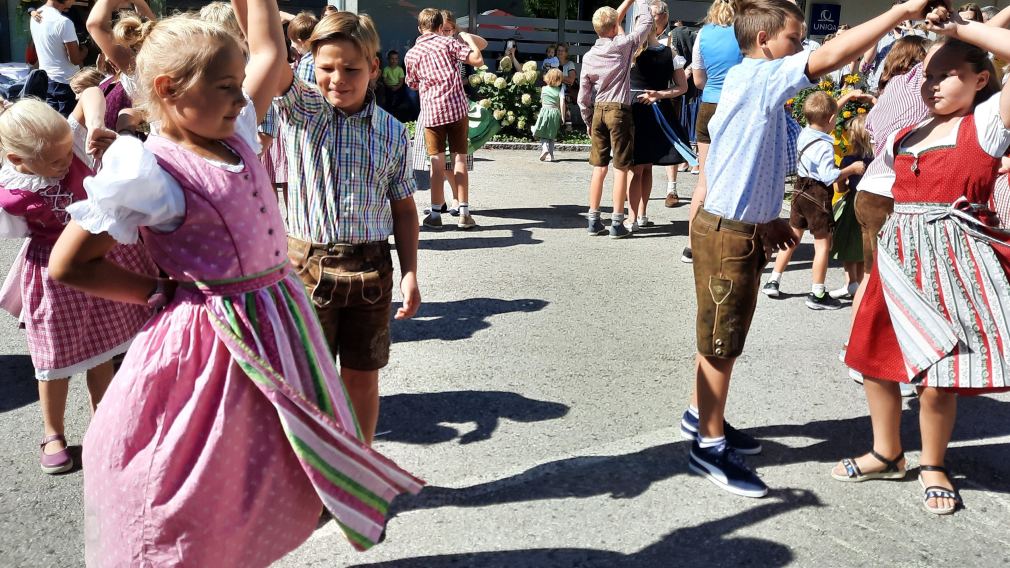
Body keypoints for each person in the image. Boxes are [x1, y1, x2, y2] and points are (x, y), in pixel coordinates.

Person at [49, 0, 423, 561]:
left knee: (265, 457)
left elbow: (270, 51)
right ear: (170, 88)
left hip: (279, 319)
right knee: (204, 468)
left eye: (236, 84)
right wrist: (155, 293)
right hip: (215, 339)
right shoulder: (151, 170)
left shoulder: (235, 130)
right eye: (225, 85)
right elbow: (69, 264)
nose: (239, 96)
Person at [682, 0, 935, 499]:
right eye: (795, 39)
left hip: (741, 225)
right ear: (764, 42)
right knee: (721, 342)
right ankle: (707, 447)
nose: (802, 47)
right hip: (728, 233)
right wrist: (901, 10)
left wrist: (769, 216)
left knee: (720, 336)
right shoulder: (758, 77)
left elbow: (746, 164)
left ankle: (700, 416)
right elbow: (836, 55)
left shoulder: (757, 86)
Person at [836, 11, 1010, 516]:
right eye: (929, 75)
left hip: (953, 260)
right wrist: (936, 37)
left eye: (947, 74)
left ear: (981, 80)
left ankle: (933, 463)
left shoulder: (988, 123)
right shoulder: (910, 127)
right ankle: (886, 451)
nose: (933, 84)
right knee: (875, 359)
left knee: (940, 374)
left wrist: (958, 29)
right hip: (898, 256)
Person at [273, 10, 422, 448]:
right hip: (306, 267)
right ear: (309, 66)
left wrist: (410, 271)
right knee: (309, 388)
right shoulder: (303, 112)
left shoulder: (393, 132)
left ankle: (359, 470)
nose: (338, 78)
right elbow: (265, 46)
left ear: (374, 68)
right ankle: (313, 477)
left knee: (362, 379)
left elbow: (405, 210)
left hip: (372, 271)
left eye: (351, 69)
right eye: (326, 68)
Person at [0, 93, 155, 475]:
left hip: (98, 258)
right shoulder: (11, 194)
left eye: (68, 153)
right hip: (56, 273)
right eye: (55, 161)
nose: (67, 162)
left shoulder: (65, 140)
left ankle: (104, 419)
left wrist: (97, 123)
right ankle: (52, 432)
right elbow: (20, 235)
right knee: (53, 358)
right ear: (18, 161)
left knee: (101, 348)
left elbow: (88, 94)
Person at [760, 90, 867, 310]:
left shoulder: (805, 132)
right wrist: (851, 169)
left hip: (800, 191)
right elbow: (829, 176)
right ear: (830, 120)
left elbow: (825, 113)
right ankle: (817, 292)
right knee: (822, 245)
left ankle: (774, 280)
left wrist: (847, 97)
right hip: (818, 196)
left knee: (792, 237)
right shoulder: (825, 146)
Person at [578, 0, 653, 239]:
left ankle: (593, 219)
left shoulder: (590, 55)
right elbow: (647, 22)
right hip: (620, 110)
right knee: (621, 167)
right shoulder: (623, 45)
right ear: (614, 27)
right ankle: (617, 222)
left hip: (598, 110)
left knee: (599, 168)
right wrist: (638, 1)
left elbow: (583, 96)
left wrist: (588, 120)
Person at [405, 8, 485, 230]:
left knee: (436, 163)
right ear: (441, 27)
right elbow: (476, 60)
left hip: (432, 112)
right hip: (457, 109)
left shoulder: (412, 53)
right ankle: (464, 213)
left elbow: (411, 83)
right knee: (460, 159)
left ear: (420, 28)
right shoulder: (449, 43)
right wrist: (468, 39)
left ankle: (435, 215)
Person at [681, 0, 742, 262]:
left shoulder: (703, 34)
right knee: (736, 180)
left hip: (708, 106)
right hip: (737, 109)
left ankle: (692, 245)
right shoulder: (745, 32)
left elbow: (698, 79)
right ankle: (730, 244)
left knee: (704, 181)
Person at [628, 0, 689, 228]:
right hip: (657, 111)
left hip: (637, 110)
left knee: (637, 168)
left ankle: (633, 217)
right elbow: (681, 87)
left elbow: (682, 87)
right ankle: (641, 215)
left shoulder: (632, 52)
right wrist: (660, 95)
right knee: (646, 166)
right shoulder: (668, 52)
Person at [829, 112, 874, 300]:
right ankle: (862, 283)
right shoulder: (876, 158)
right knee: (864, 245)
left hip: (853, 203)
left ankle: (851, 283)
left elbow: (840, 186)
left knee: (848, 244)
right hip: (873, 204)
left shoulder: (849, 160)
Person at [29, 0, 88, 116]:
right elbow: (75, 59)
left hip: (47, 81)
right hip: (67, 84)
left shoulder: (35, 16)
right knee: (68, 129)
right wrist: (85, 50)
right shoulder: (64, 22)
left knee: (54, 127)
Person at [533, 68, 564, 162]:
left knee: (542, 132)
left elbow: (542, 101)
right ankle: (551, 155)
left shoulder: (543, 89)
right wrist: (562, 116)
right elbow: (562, 103)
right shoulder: (560, 90)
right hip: (555, 112)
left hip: (544, 111)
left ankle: (545, 149)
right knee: (551, 134)